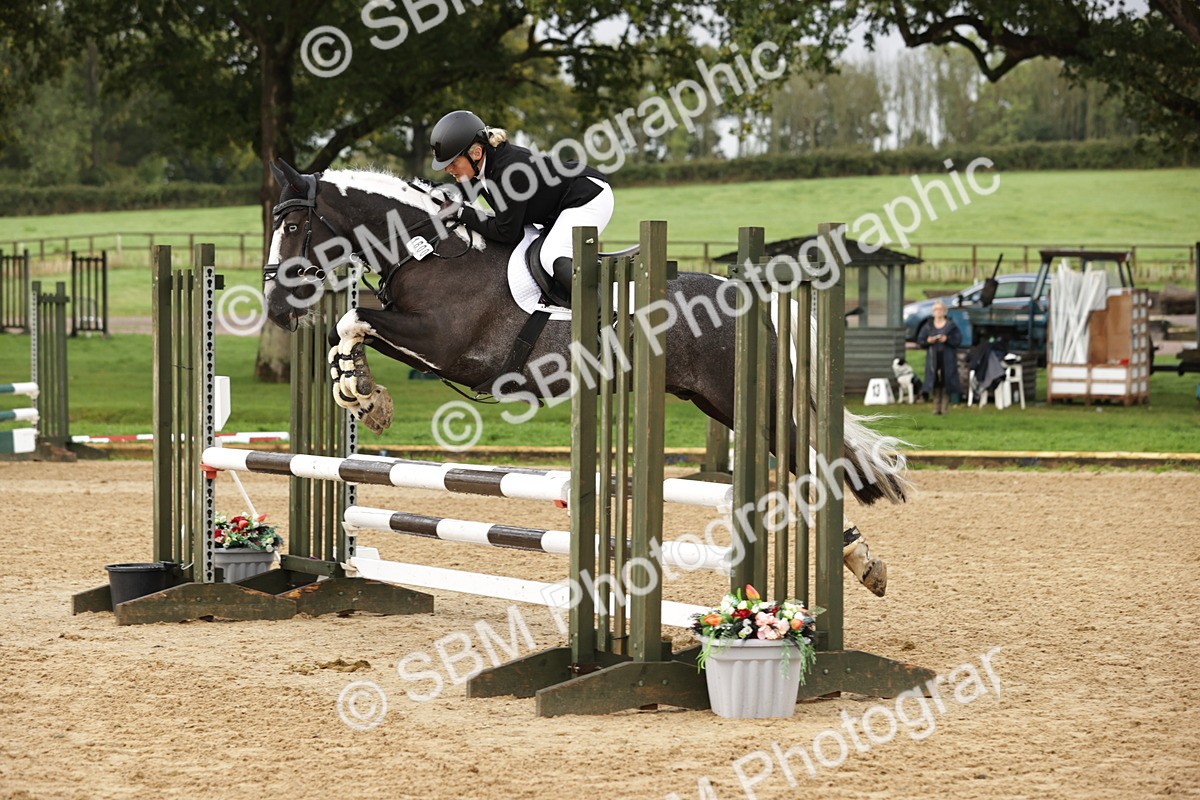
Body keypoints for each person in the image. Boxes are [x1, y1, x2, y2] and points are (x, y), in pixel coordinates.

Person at [428, 109, 613, 306]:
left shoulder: (509, 171)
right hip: (564, 203)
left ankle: (605, 316)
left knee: (551, 255)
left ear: (476, 153)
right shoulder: (482, 166)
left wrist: (463, 212)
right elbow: (454, 196)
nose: (448, 169)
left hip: (587, 198)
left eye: (453, 162)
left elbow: (506, 232)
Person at [917, 300, 962, 415]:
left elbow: (958, 340)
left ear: (944, 311)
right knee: (935, 381)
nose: (938, 312)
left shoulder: (951, 326)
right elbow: (921, 340)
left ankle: (945, 408)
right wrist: (928, 341)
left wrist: (947, 340)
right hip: (933, 358)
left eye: (940, 309)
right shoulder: (928, 326)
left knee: (946, 381)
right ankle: (936, 407)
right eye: (936, 310)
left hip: (947, 358)